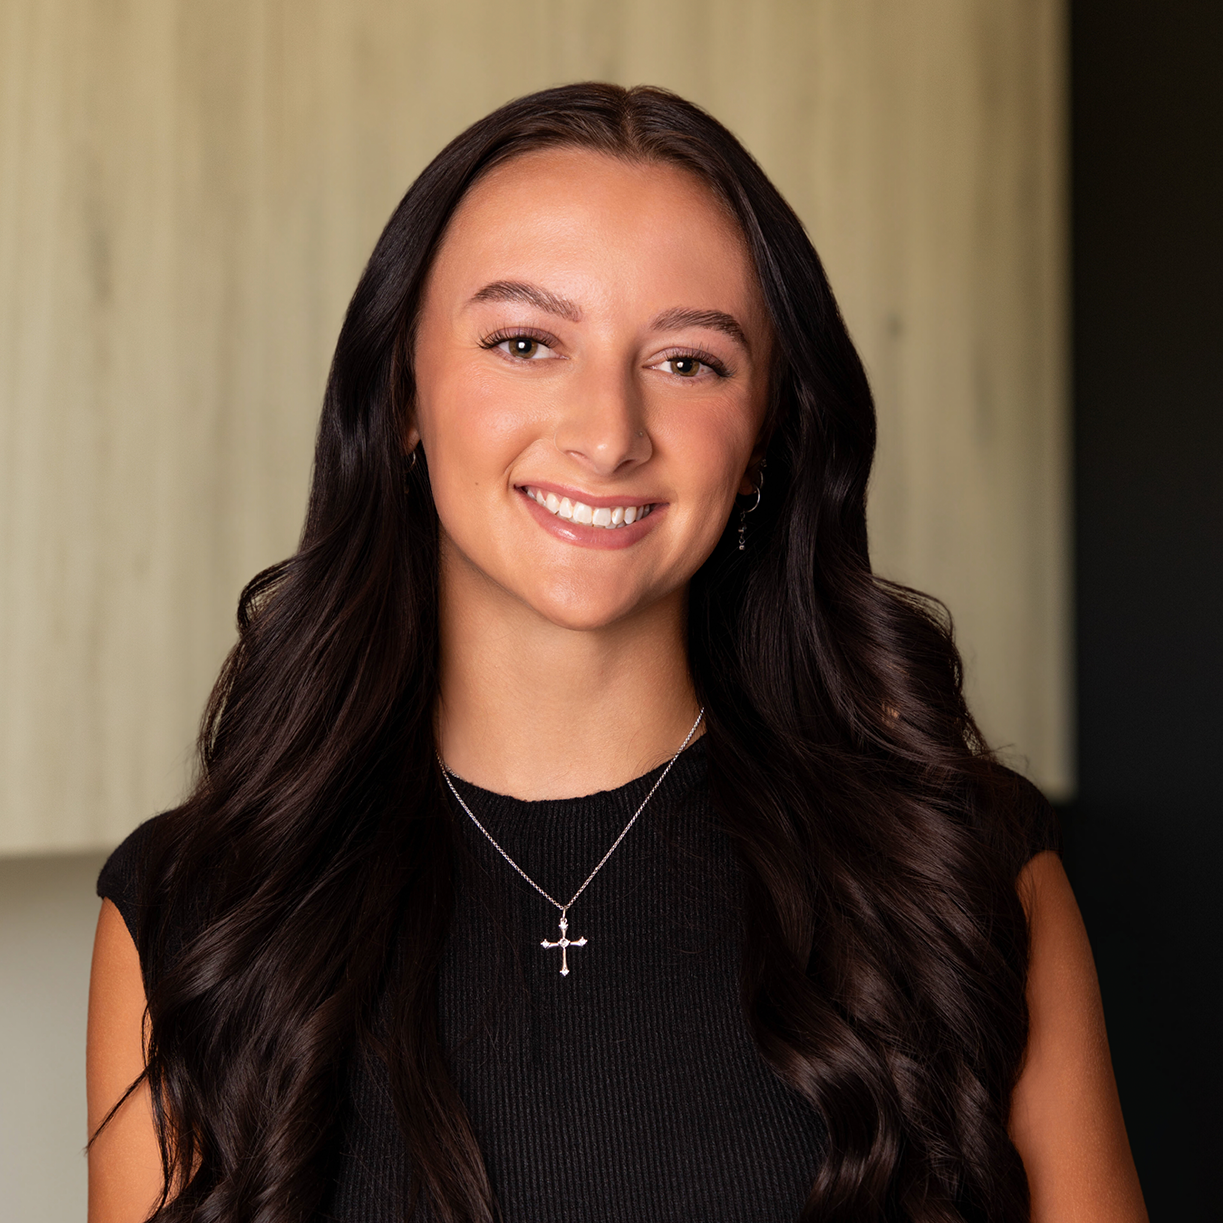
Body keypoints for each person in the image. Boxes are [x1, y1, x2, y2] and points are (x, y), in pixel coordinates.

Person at [86, 83, 1147, 1223]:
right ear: (401, 395)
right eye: (525, 341)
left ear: (762, 441)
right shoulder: (203, 910)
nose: (607, 433)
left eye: (688, 362)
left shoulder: (957, 877)